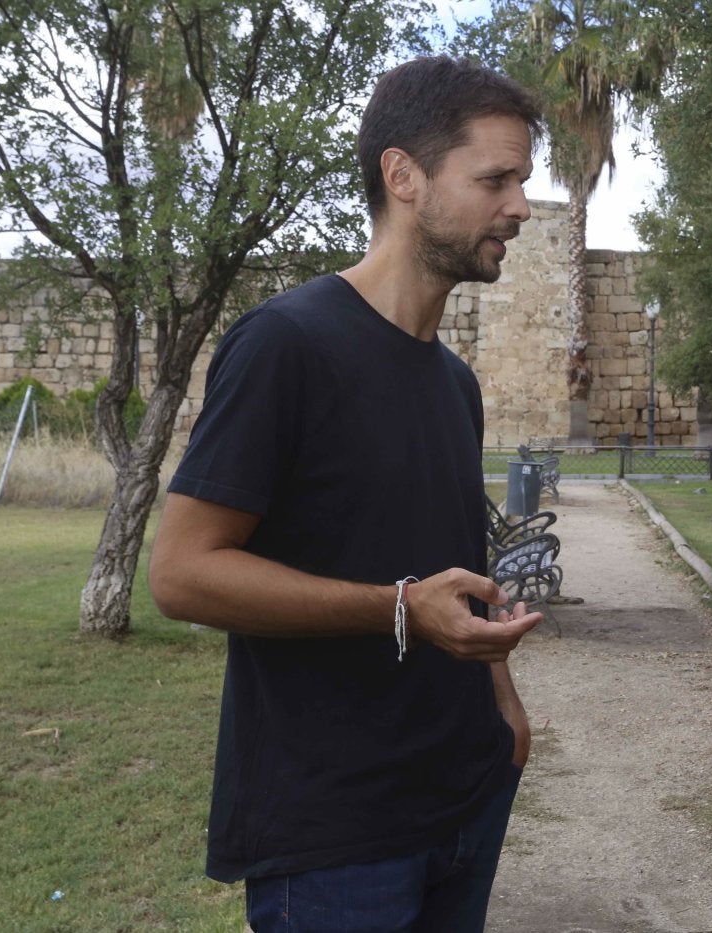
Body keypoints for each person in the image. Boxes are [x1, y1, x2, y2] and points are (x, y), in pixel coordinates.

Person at [149, 56, 545, 933]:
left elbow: (459, 564)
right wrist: (399, 606)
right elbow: (180, 574)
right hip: (335, 841)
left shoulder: (454, 381)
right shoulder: (286, 343)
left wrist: (504, 711)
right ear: (402, 176)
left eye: (522, 180)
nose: (519, 205)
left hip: (463, 798)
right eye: (496, 178)